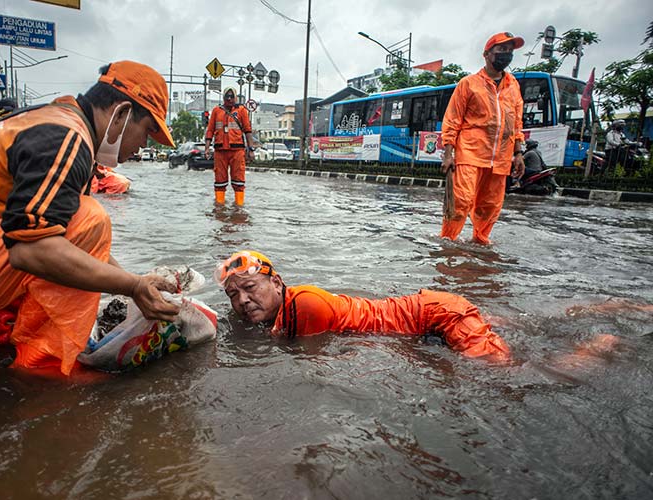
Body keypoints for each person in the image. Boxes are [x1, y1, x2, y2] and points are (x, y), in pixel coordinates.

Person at [0, 61, 180, 375]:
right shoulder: (66, 136)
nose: (143, 145)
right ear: (121, 114)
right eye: (147, 131)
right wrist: (132, 286)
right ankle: (46, 368)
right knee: (91, 219)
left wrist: (133, 282)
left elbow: (65, 238)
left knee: (70, 225)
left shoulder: (58, 120)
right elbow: (34, 249)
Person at [215, 251, 511, 360]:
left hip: (436, 315)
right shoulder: (286, 305)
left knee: (501, 371)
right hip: (426, 314)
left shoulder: (305, 305)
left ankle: (559, 366)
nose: (242, 300)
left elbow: (311, 362)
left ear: (277, 283)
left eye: (250, 288)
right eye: (233, 295)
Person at [440, 32, 526, 245]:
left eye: (510, 51)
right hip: (470, 152)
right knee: (461, 200)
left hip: (501, 158)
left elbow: (516, 123)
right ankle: (447, 242)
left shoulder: (513, 86)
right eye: (501, 50)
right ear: (487, 54)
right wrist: (448, 154)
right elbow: (452, 120)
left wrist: (518, 153)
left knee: (490, 206)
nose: (506, 55)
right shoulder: (468, 84)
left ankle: (480, 241)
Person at [205, 87, 256, 206]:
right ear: (223, 98)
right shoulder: (216, 111)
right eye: (226, 96)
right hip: (220, 151)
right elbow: (210, 130)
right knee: (219, 181)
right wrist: (207, 148)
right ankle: (219, 206)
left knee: (238, 180)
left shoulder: (242, 111)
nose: (229, 99)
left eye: (231, 96)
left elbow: (248, 131)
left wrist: (251, 149)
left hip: (237, 151)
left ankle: (239, 207)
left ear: (235, 97)